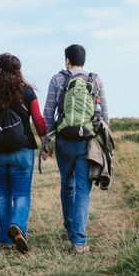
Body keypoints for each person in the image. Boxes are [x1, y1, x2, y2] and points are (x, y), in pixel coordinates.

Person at [0, 53, 47, 254]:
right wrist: (45, 144)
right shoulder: (28, 93)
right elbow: (38, 120)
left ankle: (5, 239)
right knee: (22, 193)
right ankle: (17, 227)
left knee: (3, 194)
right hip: (22, 151)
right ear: (18, 71)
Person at [42, 44, 109, 254]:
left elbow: (48, 113)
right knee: (83, 190)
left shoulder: (57, 79)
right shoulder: (95, 80)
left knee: (66, 185)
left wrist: (46, 143)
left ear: (67, 60)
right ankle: (78, 241)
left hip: (63, 140)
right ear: (84, 61)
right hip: (86, 142)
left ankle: (70, 228)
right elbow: (104, 116)